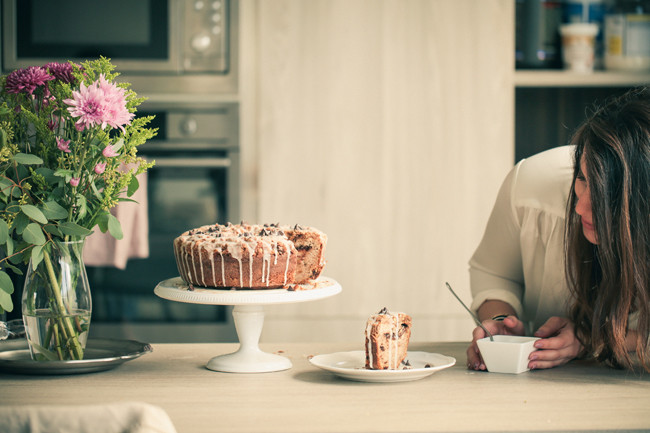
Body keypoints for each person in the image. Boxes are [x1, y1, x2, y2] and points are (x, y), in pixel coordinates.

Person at [466, 87, 650, 371]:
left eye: (605, 197)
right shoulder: (531, 186)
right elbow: (494, 272)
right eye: (582, 179)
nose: (580, 208)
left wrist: (592, 338)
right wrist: (501, 321)